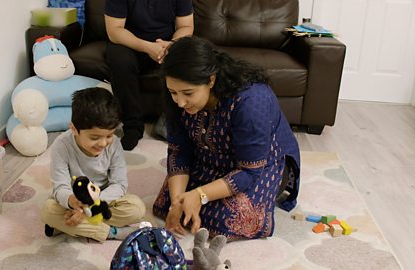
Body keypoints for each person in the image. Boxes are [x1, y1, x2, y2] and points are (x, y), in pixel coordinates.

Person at [152, 37, 301, 241]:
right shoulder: (177, 99)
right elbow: (179, 151)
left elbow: (250, 171)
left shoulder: (251, 100)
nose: (180, 102)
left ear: (211, 80)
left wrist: (199, 195)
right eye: (173, 93)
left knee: (231, 218)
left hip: (260, 166)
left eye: (188, 93)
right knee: (165, 204)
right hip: (209, 159)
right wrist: (177, 201)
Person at [41, 87, 145, 242]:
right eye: (95, 137)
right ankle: (113, 232)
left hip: (103, 199)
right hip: (74, 200)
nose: (103, 143)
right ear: (74, 129)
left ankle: (68, 226)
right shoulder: (61, 146)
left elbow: (119, 185)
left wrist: (91, 207)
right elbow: (60, 187)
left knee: (137, 208)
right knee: (48, 211)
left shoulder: (114, 144)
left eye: (109, 135)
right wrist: (73, 202)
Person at [104, 0, 194, 150]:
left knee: (190, 54)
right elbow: (115, 31)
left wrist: (171, 44)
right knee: (119, 59)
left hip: (167, 44)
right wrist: (147, 47)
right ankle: (133, 127)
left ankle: (171, 122)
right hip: (131, 44)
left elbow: (186, 26)